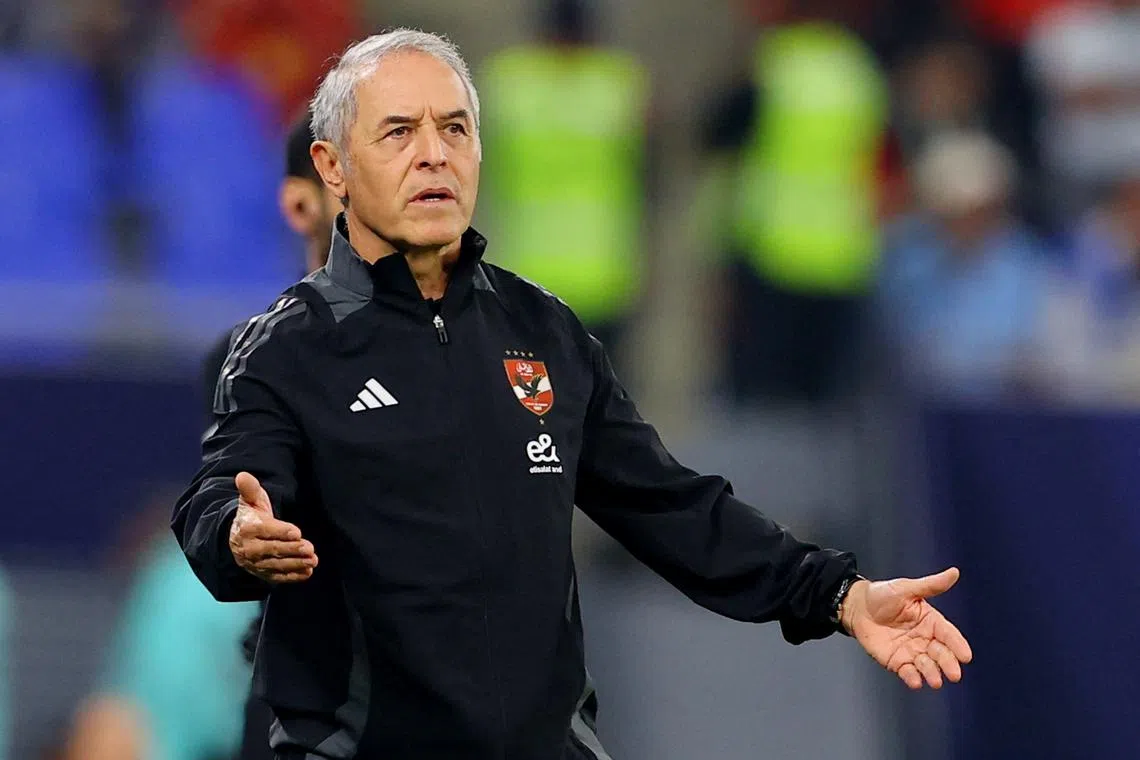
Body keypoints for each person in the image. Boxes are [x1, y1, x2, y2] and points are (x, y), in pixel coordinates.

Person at [172, 29, 974, 760]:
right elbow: (219, 497)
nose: (435, 155)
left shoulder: (541, 330)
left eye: (456, 128)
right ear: (332, 168)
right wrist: (237, 536)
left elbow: (672, 506)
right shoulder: (286, 348)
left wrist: (837, 592)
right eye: (399, 132)